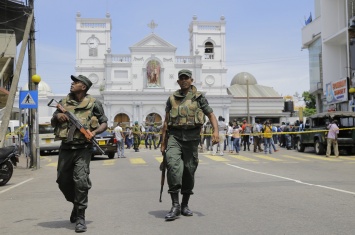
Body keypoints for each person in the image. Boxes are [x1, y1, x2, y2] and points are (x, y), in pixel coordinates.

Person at [51, 75, 108, 233]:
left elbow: (104, 122)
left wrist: (95, 132)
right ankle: (76, 204)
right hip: (66, 148)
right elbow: (53, 120)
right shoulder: (63, 102)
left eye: (76, 82)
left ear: (83, 87)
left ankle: (81, 217)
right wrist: (58, 116)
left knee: (81, 181)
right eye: (73, 81)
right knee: (62, 181)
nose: (72, 83)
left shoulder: (94, 103)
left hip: (83, 148)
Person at [160, 69, 219, 221]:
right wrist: (163, 142)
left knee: (188, 171)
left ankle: (185, 204)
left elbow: (211, 115)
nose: (184, 80)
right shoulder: (172, 98)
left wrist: (216, 132)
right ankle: (175, 205)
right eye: (181, 78)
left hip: (192, 139)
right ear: (178, 81)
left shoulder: (199, 98)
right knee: (173, 167)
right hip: (175, 137)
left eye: (187, 78)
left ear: (191, 80)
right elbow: (166, 122)